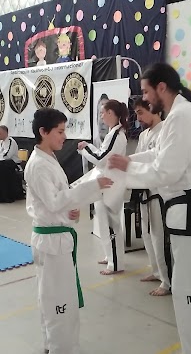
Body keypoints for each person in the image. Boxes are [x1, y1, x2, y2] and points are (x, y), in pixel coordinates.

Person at [108, 63, 191, 354]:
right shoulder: (178, 115)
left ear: (161, 88)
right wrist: (130, 162)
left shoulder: (183, 116)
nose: (145, 97)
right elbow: (159, 154)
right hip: (190, 217)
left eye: (146, 91)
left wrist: (125, 176)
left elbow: (166, 172)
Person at [24, 108, 113, 354]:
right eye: (60, 131)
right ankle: (59, 347)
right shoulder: (39, 165)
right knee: (58, 301)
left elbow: (54, 202)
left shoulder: (48, 159)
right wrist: (91, 186)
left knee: (57, 298)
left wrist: (69, 211)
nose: (65, 136)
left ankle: (55, 345)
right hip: (51, 243)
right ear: (43, 132)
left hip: (57, 237)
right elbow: (53, 202)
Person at [78, 99, 128, 275]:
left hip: (111, 184)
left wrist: (85, 149)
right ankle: (110, 256)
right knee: (105, 222)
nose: (101, 116)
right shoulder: (113, 134)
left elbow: (100, 158)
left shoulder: (116, 134)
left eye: (102, 112)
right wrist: (89, 148)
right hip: (106, 182)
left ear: (110, 113)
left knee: (111, 224)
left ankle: (115, 264)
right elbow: (102, 155)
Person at [133, 98, 170, 296]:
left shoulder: (165, 130)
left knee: (159, 236)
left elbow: (156, 160)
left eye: (140, 112)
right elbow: (138, 162)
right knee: (147, 235)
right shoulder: (143, 135)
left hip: (158, 192)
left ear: (153, 110)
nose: (138, 118)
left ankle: (167, 281)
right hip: (144, 189)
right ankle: (156, 271)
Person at [0, 125, 24, 202]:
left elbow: (7, 156)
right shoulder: (1, 142)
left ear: (5, 132)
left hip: (13, 165)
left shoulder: (10, 141)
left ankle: (5, 196)